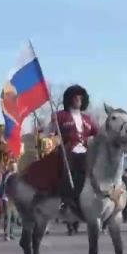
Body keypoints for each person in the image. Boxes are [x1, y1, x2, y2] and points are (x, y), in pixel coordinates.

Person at [46, 84, 98, 215]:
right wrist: (52, 136)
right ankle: (64, 198)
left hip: (84, 152)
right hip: (67, 151)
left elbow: (98, 133)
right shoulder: (60, 116)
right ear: (70, 99)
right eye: (75, 97)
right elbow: (48, 132)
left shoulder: (88, 119)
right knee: (66, 166)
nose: (78, 99)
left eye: (80, 97)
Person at [0, 160, 19, 241]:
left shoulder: (18, 175)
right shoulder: (6, 175)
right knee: (7, 216)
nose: (13, 167)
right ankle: (7, 234)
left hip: (15, 199)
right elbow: (1, 185)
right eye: (12, 166)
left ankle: (11, 233)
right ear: (10, 166)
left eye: (15, 166)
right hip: (7, 198)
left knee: (14, 217)